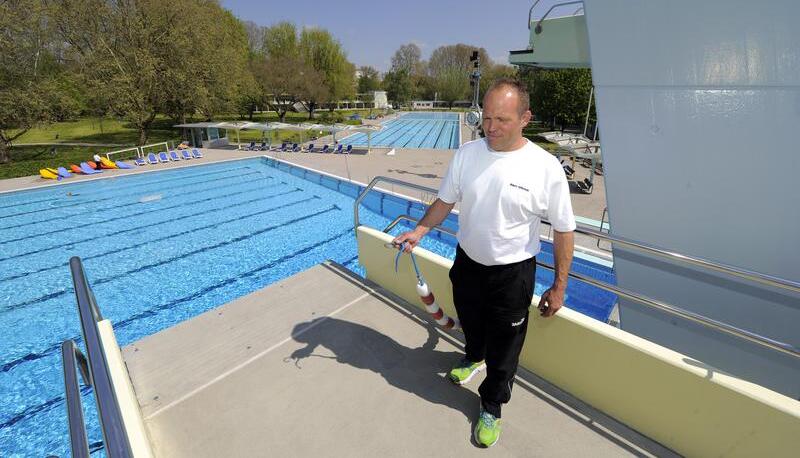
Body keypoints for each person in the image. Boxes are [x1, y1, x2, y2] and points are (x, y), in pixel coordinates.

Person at [392, 78, 576, 448]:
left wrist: (559, 287)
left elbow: (563, 229)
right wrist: (420, 231)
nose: (490, 127)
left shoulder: (545, 168)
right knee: (472, 322)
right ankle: (474, 357)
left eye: (502, 120)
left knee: (506, 346)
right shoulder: (468, 153)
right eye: (486, 118)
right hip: (468, 263)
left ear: (526, 118)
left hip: (513, 273)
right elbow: (445, 201)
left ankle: (492, 404)